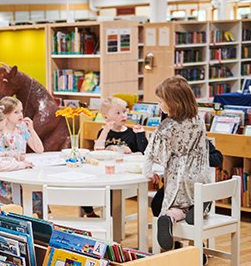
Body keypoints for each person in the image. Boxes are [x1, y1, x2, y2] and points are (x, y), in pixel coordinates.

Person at [143, 75, 212, 251]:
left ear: (172, 103)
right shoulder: (199, 121)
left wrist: (148, 173)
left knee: (173, 207)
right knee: (198, 200)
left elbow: (150, 153)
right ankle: (199, 207)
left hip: (177, 179)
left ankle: (169, 217)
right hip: (199, 177)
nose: (159, 106)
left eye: (160, 102)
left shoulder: (167, 127)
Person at [83, 96, 149, 217]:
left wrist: (140, 135)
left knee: (111, 191)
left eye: (124, 111)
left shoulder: (131, 133)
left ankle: (111, 219)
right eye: (118, 113)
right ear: (106, 117)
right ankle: (90, 213)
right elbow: (97, 150)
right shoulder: (103, 132)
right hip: (103, 172)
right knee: (85, 185)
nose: (123, 115)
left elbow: (144, 152)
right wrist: (105, 130)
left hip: (123, 173)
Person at [0, 97, 43, 209]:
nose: (20, 115)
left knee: (37, 197)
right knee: (11, 206)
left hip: (22, 173)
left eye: (21, 111)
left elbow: (39, 149)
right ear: (5, 114)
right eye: (16, 112)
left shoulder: (21, 129)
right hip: (4, 176)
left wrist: (31, 129)